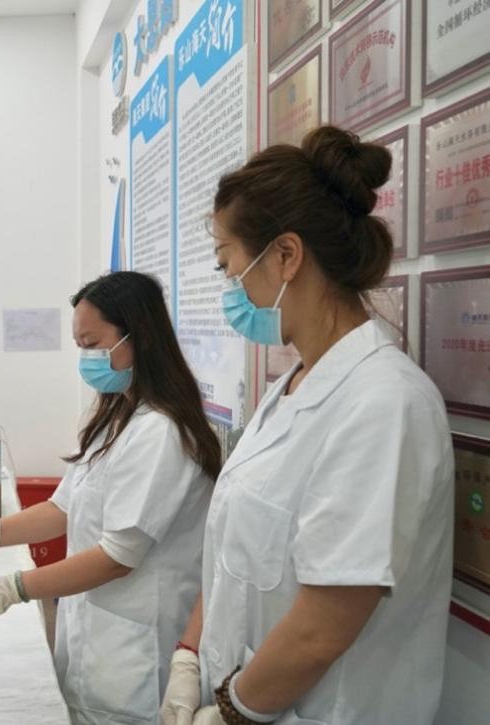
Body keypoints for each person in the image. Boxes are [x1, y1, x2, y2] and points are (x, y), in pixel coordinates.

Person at [159, 127, 453, 725]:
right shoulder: (290, 389)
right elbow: (236, 556)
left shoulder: (383, 405)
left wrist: (231, 711)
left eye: (229, 266)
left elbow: (323, 627)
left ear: (286, 257)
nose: (231, 289)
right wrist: (191, 655)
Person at [0, 271, 221, 724]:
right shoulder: (118, 415)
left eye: (93, 344)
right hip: (95, 637)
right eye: (80, 346)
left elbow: (117, 558)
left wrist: (11, 589)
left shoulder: (161, 433)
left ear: (140, 337)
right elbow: (61, 508)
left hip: (135, 656)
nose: (87, 358)